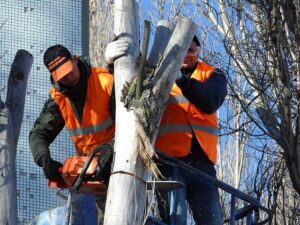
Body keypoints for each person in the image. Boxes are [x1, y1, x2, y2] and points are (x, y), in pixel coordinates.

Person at [29, 42, 128, 225]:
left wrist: (110, 149)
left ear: (74, 59)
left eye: (68, 70)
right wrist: (44, 159)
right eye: (61, 76)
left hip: (120, 163)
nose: (67, 77)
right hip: (88, 173)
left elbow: (130, 124)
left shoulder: (106, 81)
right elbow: (38, 133)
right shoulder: (58, 97)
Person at [154, 35, 227, 225]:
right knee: (174, 220)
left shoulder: (213, 74)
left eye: (192, 50)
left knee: (212, 220)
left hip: (203, 165)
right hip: (169, 163)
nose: (187, 55)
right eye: (182, 50)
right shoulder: (159, 75)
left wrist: (182, 81)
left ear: (199, 51)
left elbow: (210, 101)